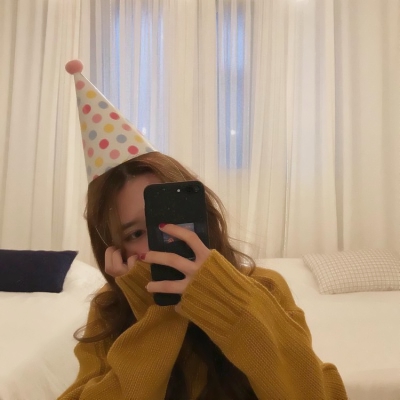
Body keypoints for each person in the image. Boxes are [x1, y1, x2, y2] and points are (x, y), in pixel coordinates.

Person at [59, 60, 348, 399]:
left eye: (169, 220)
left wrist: (228, 302)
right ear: (114, 250)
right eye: (135, 233)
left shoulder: (265, 286)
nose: (162, 241)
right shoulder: (109, 311)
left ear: (202, 216)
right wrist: (156, 317)